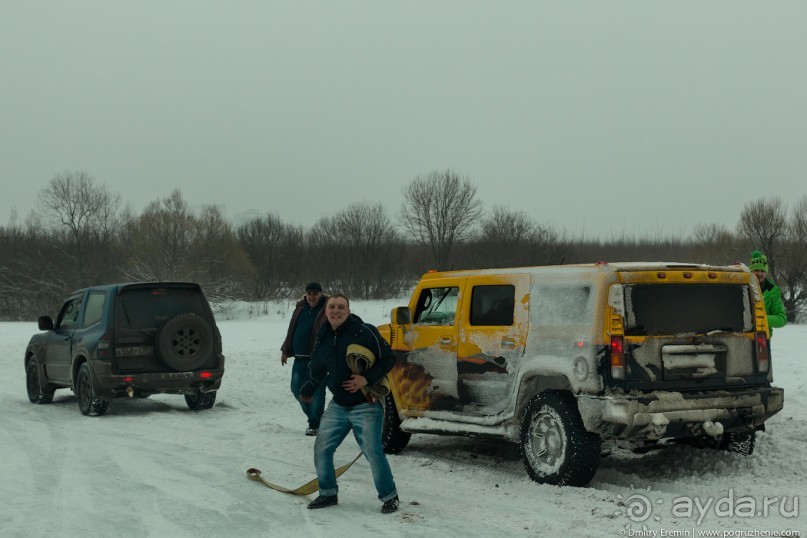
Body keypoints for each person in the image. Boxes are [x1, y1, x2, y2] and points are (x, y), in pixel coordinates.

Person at [300, 294, 400, 514]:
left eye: (341, 307)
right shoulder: (323, 335)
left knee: (373, 452)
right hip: (338, 405)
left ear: (348, 310)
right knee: (322, 448)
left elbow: (389, 358)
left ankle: (389, 497)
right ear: (325, 312)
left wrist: (366, 378)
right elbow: (317, 368)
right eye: (332, 307)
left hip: (366, 403)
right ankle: (327, 493)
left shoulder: (365, 332)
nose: (336, 311)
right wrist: (307, 389)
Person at [281, 282, 328, 435]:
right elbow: (291, 330)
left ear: (321, 294)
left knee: (317, 392)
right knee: (296, 389)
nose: (312, 296)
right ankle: (314, 418)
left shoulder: (327, 309)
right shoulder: (300, 308)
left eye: (315, 293)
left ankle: (315, 424)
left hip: (318, 360)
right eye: (310, 293)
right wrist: (285, 350)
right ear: (306, 294)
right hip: (300, 358)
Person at [749, 251, 787, 337]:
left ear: (766, 272)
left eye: (762, 271)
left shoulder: (773, 291)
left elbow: (782, 319)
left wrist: (759, 319)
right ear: (751, 271)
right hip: (739, 335)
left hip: (762, 337)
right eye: (756, 270)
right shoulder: (742, 286)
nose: (759, 273)